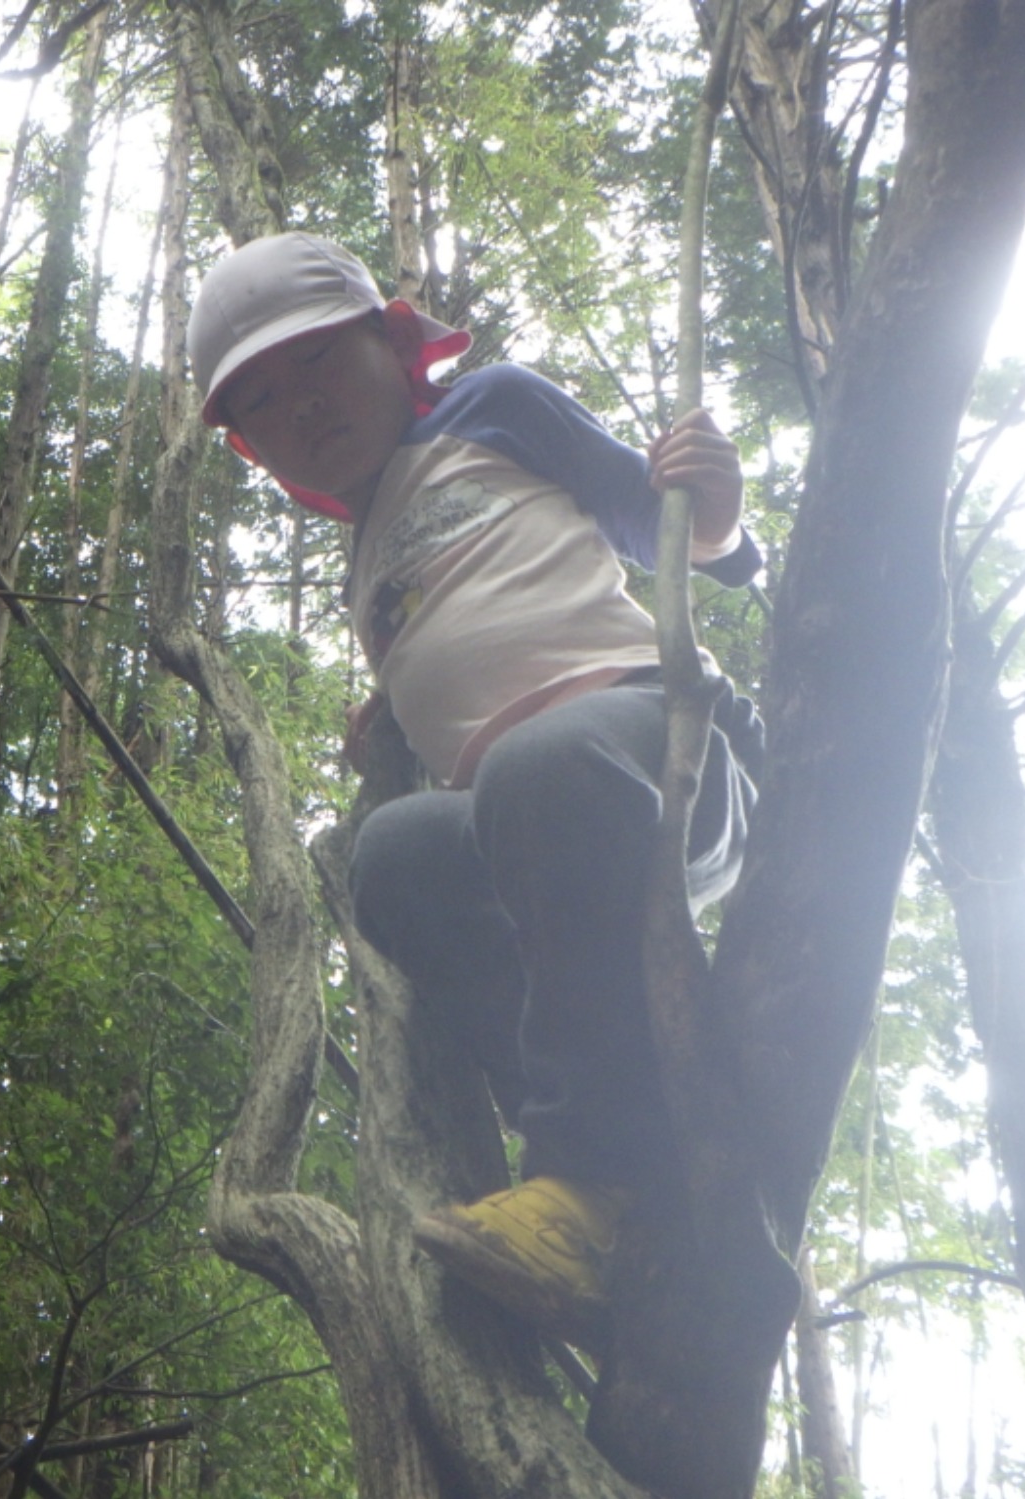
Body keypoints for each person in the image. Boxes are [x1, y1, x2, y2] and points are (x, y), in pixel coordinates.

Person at [186, 232, 764, 1353]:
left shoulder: (487, 408)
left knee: (536, 767)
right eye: (261, 400)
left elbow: (648, 523)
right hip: (528, 831)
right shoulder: (365, 561)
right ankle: (585, 1153)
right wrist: (392, 706)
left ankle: (590, 1177)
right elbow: (456, 631)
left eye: (312, 362)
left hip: (661, 749)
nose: (297, 406)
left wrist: (723, 523)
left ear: (389, 342)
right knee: (391, 858)